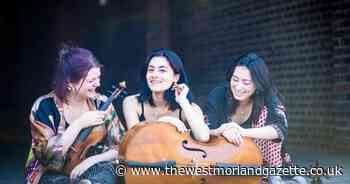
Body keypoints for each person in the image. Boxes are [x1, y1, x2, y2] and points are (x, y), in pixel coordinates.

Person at [205, 52, 306, 183]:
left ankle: (272, 174)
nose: (238, 87)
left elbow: (280, 128)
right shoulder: (218, 95)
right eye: (235, 79)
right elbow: (205, 130)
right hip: (223, 159)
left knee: (267, 117)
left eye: (246, 82)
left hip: (259, 161)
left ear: (258, 84)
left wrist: (243, 132)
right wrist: (221, 131)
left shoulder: (268, 97)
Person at [25, 44, 119, 184]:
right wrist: (79, 123)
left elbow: (119, 147)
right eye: (91, 80)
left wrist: (92, 160)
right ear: (69, 82)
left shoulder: (103, 104)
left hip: (91, 169)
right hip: (51, 172)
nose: (98, 84)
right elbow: (47, 158)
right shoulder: (44, 106)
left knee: (112, 171)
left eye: (98, 78)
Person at [122, 48, 209, 142]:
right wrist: (163, 122)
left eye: (162, 70)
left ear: (176, 77)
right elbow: (135, 141)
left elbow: (203, 137)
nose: (154, 75)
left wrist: (183, 101)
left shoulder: (189, 108)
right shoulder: (132, 102)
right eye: (151, 70)